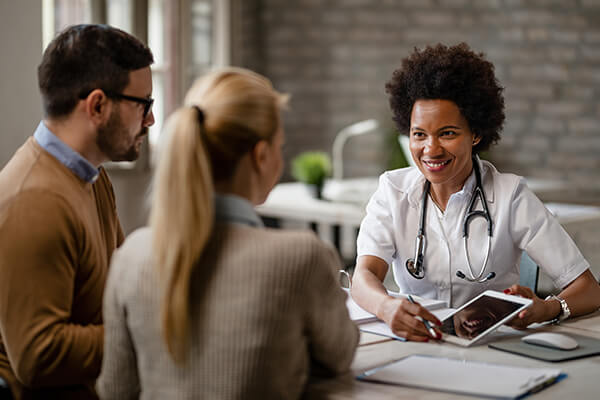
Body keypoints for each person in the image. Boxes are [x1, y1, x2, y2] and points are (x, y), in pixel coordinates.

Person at [97, 67, 358, 399]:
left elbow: (115, 391)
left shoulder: (131, 256)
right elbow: (340, 355)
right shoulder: (300, 258)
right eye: (280, 146)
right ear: (261, 156)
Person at [351, 43, 600, 342]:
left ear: (476, 134)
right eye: (419, 134)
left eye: (448, 133)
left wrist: (545, 309)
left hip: (492, 349)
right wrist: (387, 307)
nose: (431, 149)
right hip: (417, 343)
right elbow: (363, 277)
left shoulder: (511, 196)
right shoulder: (392, 191)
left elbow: (588, 289)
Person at [0, 24, 154, 399]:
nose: (150, 120)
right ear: (98, 106)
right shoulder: (34, 200)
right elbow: (37, 354)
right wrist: (149, 329)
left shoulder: (91, 175)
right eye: (144, 104)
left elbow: (115, 290)